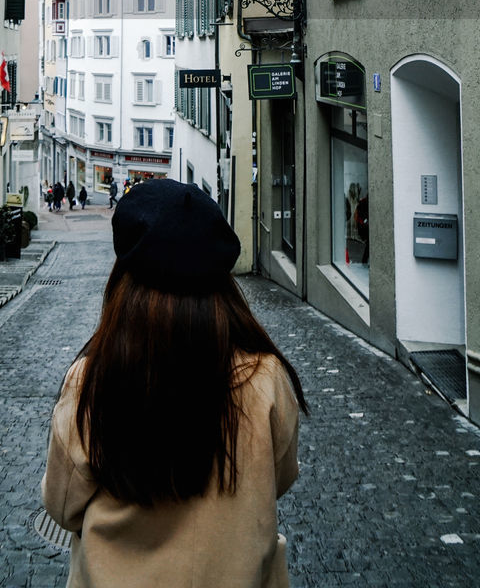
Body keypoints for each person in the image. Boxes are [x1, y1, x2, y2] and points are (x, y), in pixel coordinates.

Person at [42, 179, 307, 588]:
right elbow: (280, 478)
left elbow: (63, 507)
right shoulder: (265, 377)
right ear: (222, 285)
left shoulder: (93, 379)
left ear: (124, 279)